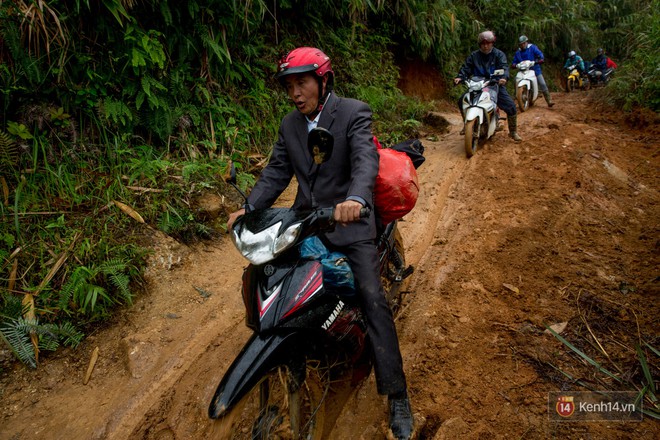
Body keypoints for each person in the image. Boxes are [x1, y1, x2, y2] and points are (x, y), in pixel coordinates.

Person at [226, 47, 414, 440]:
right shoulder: (290, 125)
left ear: (323, 80)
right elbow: (276, 172)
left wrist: (357, 200)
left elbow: (365, 160)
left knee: (372, 298)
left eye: (303, 83)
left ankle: (397, 393)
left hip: (350, 223)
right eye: (290, 86)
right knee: (265, 274)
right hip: (304, 221)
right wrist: (248, 210)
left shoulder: (353, 112)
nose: (296, 93)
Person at [454, 30, 522, 142]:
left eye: (488, 43)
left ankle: (513, 131)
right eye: (483, 44)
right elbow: (466, 68)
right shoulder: (474, 56)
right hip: (477, 85)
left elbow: (504, 67)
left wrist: (503, 77)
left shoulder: (499, 55)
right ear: (480, 44)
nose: (485, 46)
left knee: (511, 106)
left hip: (494, 84)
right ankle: (467, 124)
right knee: (462, 100)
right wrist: (460, 77)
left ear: (492, 43)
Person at [512, 35, 554, 107]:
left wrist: (540, 59)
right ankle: (517, 97)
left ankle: (548, 100)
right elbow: (514, 61)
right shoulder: (518, 53)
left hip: (534, 69)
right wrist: (514, 65)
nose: (523, 45)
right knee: (515, 79)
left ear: (526, 42)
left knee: (542, 83)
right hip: (523, 71)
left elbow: (540, 54)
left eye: (524, 43)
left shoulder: (532, 48)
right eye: (521, 44)